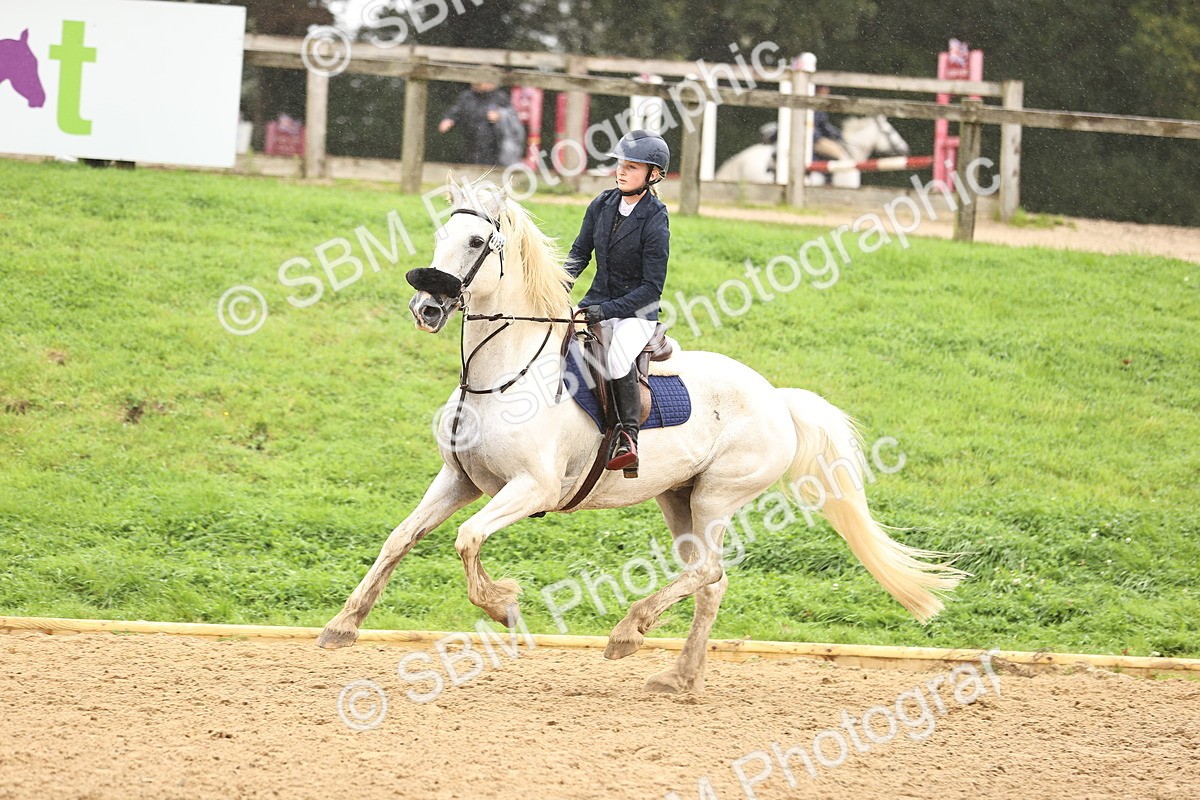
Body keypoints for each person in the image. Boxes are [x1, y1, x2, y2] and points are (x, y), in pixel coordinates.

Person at [564, 130, 670, 476]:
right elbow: (580, 253)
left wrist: (608, 311)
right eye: (621, 164)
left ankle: (628, 436)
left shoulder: (656, 218)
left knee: (617, 355)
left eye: (632, 166)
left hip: (635, 312)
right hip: (596, 301)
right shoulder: (602, 204)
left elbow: (652, 288)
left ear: (653, 174)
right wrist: (557, 284)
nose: (621, 171)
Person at [438, 82, 524, 166]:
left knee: (491, 169)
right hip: (470, 144)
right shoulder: (467, 97)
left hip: (493, 146)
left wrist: (500, 115)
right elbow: (456, 110)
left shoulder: (500, 97)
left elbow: (512, 119)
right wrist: (448, 119)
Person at [812, 85, 852, 161]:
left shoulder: (820, 106)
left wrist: (839, 135)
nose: (827, 91)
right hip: (814, 139)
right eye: (825, 88)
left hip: (817, 137)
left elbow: (825, 126)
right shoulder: (814, 105)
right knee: (841, 154)